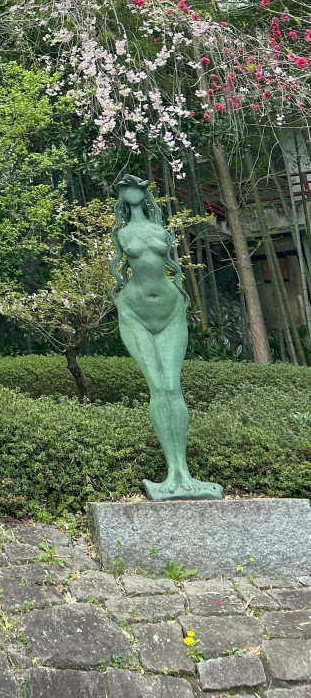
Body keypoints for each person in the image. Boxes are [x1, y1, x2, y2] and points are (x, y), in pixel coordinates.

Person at [109, 174, 222, 501]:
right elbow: (121, 270)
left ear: (146, 194)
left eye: (137, 187)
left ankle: (184, 475)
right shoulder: (121, 233)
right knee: (158, 388)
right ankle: (171, 473)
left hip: (170, 308)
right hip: (135, 311)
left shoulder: (161, 230)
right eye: (125, 188)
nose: (131, 192)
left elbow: (171, 265)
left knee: (174, 387)